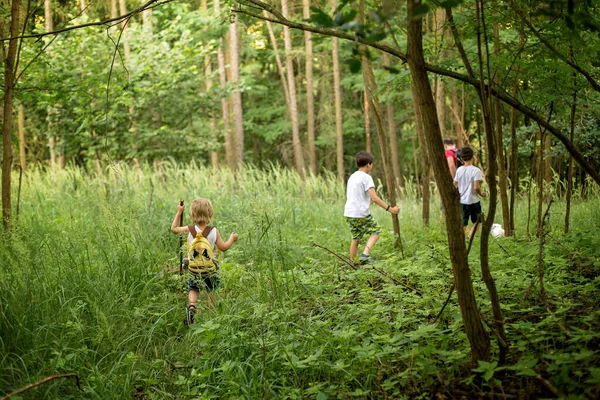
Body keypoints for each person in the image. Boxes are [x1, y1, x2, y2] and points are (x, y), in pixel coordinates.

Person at [171, 198, 238, 324]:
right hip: (209, 269)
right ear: (210, 215)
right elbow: (223, 248)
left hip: (194, 268)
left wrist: (179, 212)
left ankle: (192, 305)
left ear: (192, 215)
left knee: (193, 288)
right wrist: (232, 238)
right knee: (211, 289)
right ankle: (211, 313)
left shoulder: (189, 229)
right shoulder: (213, 231)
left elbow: (174, 229)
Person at [344, 151, 400, 264]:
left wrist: (367, 202)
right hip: (360, 213)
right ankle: (364, 255)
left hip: (349, 213)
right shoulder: (367, 177)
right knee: (376, 231)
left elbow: (356, 195)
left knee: (356, 237)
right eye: (372, 164)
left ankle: (353, 263)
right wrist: (391, 209)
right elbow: (374, 197)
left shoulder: (352, 177)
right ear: (368, 164)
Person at [453, 146, 487, 239]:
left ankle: (463, 238)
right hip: (473, 201)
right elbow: (476, 187)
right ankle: (469, 237)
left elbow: (454, 184)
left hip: (462, 201)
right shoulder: (476, 171)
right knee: (477, 221)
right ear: (473, 157)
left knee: (464, 221)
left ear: (461, 158)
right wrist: (482, 194)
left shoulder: (459, 170)